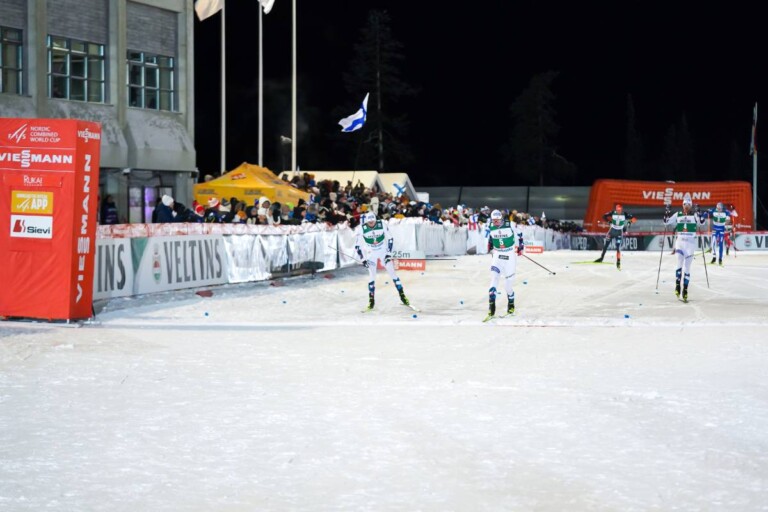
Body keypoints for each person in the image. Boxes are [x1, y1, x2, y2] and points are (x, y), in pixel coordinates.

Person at [354, 211, 410, 311]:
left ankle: (403, 297)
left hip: (383, 251)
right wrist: (363, 259)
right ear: (366, 222)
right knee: (372, 276)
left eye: (373, 222)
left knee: (393, 273)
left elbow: (390, 239)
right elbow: (358, 246)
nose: (372, 224)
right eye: (369, 223)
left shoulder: (381, 224)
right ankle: (371, 302)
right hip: (371, 253)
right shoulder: (362, 228)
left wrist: (388, 253)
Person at [663, 193, 708, 302]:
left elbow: (702, 223)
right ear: (682, 205)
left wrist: (699, 212)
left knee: (687, 268)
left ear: (691, 205)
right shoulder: (678, 214)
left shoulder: (694, 215)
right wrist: (667, 212)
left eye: (688, 204)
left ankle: (685, 290)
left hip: (690, 244)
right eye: (684, 204)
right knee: (679, 263)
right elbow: (666, 222)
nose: (686, 206)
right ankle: (678, 285)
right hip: (680, 242)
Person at [484, 209, 525, 321]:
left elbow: (520, 234)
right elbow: (491, 236)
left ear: (501, 219)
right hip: (497, 255)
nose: (495, 222)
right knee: (494, 278)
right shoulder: (491, 225)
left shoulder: (510, 224)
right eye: (494, 220)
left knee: (508, 286)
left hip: (509, 256)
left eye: (497, 220)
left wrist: (521, 247)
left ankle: (511, 305)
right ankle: (491, 308)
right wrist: (490, 244)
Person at [594, 203, 636, 269]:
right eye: (617, 210)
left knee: (618, 247)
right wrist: (609, 222)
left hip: (619, 232)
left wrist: (630, 222)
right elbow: (604, 216)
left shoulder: (625, 214)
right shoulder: (613, 212)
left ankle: (618, 262)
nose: (618, 211)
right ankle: (601, 258)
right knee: (606, 245)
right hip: (612, 231)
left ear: (621, 209)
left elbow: (634, 219)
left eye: (619, 210)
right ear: (616, 209)